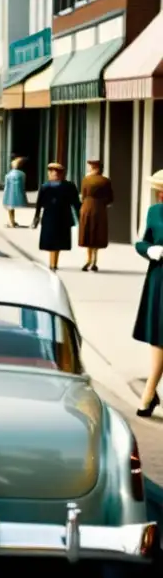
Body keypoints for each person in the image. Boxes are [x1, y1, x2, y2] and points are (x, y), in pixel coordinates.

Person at [133, 169, 163, 417]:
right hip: (159, 278)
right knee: (158, 336)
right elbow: (142, 241)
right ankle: (149, 393)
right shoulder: (154, 211)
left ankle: (149, 394)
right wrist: (149, 250)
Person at [31, 162, 81, 271]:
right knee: (56, 241)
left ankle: (53, 263)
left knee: (54, 241)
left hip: (54, 217)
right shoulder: (67, 186)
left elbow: (39, 204)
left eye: (56, 172)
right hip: (59, 217)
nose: (54, 174)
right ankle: (53, 262)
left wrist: (36, 218)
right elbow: (76, 203)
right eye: (52, 172)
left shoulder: (46, 187)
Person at [78, 159, 113, 272]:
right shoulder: (106, 181)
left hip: (87, 208)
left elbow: (83, 195)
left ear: (92, 168)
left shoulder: (86, 180)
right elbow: (110, 198)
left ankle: (88, 259)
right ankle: (95, 260)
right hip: (99, 209)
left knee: (88, 234)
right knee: (97, 234)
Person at [1, 156, 27, 228]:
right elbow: (23, 184)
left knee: (10, 207)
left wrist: (4, 195)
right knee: (12, 208)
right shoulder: (22, 174)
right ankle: (12, 221)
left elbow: (6, 185)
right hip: (18, 193)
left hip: (9, 193)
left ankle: (11, 222)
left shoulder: (9, 175)